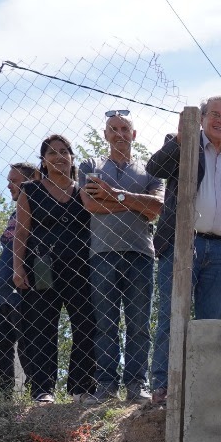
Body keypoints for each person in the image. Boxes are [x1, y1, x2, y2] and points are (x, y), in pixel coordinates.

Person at [146, 95, 221, 404]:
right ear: (203, 117)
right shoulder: (185, 145)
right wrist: (182, 138)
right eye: (215, 114)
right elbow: (154, 167)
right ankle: (163, 386)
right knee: (172, 315)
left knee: (210, 323)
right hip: (184, 244)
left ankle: (201, 388)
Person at [79, 111, 164, 402]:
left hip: (140, 252)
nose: (119, 134)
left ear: (134, 134)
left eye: (125, 129)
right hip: (102, 254)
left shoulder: (150, 170)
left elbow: (157, 209)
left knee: (139, 324)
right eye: (113, 129)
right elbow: (90, 204)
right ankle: (105, 386)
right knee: (105, 323)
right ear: (105, 134)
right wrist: (134, 203)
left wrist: (113, 195)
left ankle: (136, 385)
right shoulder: (90, 166)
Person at [13, 134, 96, 402]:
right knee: (41, 327)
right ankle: (42, 390)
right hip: (41, 268)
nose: (59, 157)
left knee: (86, 325)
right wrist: (18, 268)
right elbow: (21, 234)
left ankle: (81, 388)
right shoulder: (30, 191)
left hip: (81, 269)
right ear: (44, 161)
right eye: (52, 153)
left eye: (64, 151)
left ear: (72, 158)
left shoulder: (84, 189)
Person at [0, 161, 37, 395]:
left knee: (28, 342)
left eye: (14, 181)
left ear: (32, 180)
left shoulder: (36, 207)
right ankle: (0, 397)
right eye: (8, 181)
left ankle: (35, 392)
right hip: (2, 296)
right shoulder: (15, 212)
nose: (9, 186)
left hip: (21, 290)